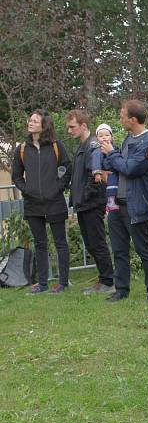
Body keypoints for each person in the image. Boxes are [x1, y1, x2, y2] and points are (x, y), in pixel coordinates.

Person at [102, 100, 148, 302]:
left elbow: (130, 168)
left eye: (122, 115)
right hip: (117, 203)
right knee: (119, 249)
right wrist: (116, 158)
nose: (120, 118)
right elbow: (117, 164)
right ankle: (121, 290)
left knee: (144, 249)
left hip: (137, 204)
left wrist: (112, 153)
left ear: (133, 119)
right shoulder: (127, 139)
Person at [11, 110, 72, 294]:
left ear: (43, 125)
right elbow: (16, 176)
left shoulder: (56, 145)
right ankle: (42, 283)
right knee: (40, 243)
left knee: (60, 242)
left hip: (55, 202)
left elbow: (67, 169)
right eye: (30, 120)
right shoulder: (21, 149)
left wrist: (56, 189)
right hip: (33, 204)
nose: (30, 123)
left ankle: (63, 283)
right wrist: (27, 191)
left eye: (34, 121)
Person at [64, 111, 115, 294]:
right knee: (92, 244)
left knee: (97, 242)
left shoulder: (93, 146)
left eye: (72, 126)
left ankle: (108, 282)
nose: (69, 130)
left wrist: (85, 197)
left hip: (92, 204)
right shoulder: (82, 147)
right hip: (84, 204)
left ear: (84, 126)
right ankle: (103, 279)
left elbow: (95, 177)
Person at [95, 124, 119, 212]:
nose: (104, 137)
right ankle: (110, 201)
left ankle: (113, 201)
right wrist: (98, 172)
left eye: (107, 135)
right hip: (105, 174)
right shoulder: (97, 150)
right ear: (97, 138)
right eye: (101, 136)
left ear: (111, 137)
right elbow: (96, 162)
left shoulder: (116, 149)